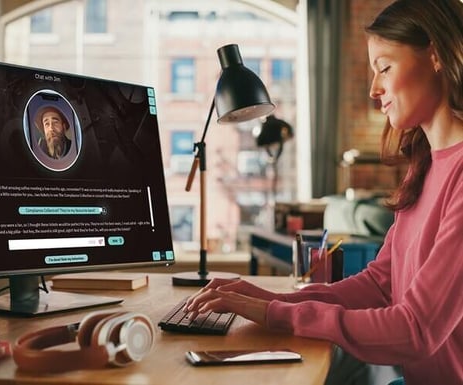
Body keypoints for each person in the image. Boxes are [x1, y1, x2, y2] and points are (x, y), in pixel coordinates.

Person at [184, 1, 463, 384]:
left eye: (385, 67)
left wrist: (276, 314)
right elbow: (381, 285)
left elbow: (415, 329)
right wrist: (269, 300)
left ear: (435, 55)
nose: (373, 89)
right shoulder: (424, 164)